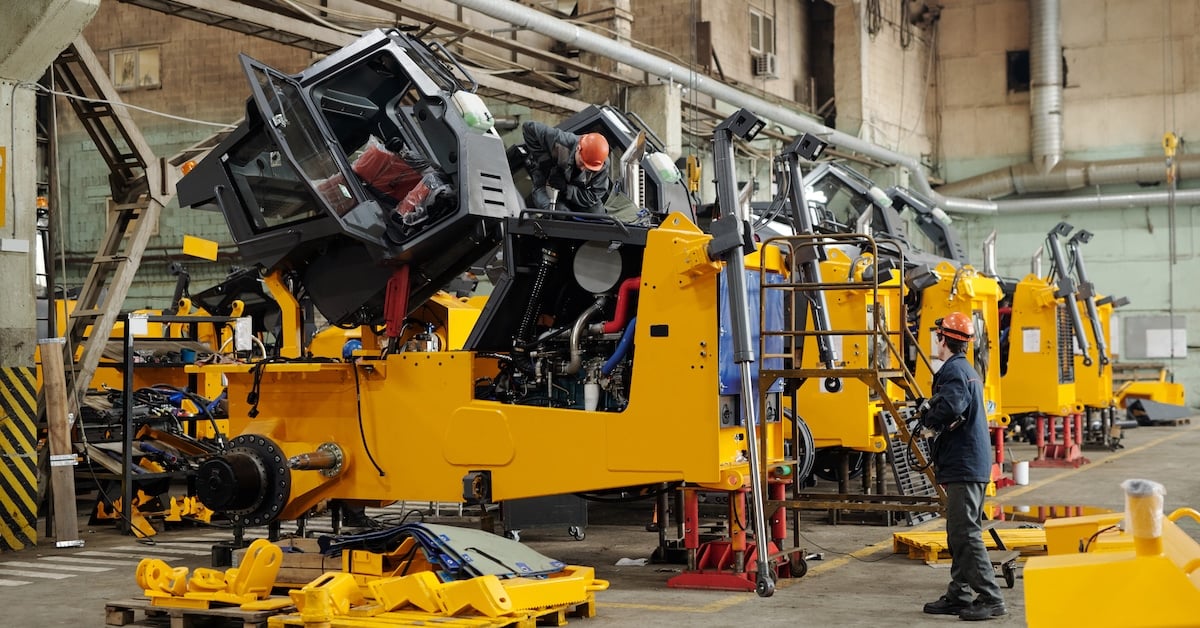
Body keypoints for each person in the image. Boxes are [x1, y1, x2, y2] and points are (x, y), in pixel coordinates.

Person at [918, 312, 1007, 621]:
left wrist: (928, 414)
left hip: (965, 464)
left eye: (938, 335)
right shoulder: (967, 369)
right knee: (959, 532)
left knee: (965, 533)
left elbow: (952, 406)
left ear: (943, 339)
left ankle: (991, 598)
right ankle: (959, 594)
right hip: (969, 462)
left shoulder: (954, 370)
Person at [521, 120, 611, 213]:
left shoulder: (601, 165)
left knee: (598, 214)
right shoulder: (561, 141)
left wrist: (566, 188)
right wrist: (546, 164)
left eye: (589, 169)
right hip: (545, 182)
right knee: (559, 213)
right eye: (582, 163)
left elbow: (593, 196)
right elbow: (528, 128)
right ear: (578, 148)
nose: (583, 169)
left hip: (574, 190)